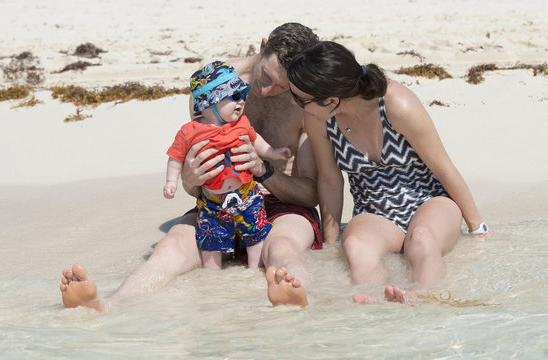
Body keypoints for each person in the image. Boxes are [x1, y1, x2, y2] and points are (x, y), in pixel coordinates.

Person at [60, 23, 321, 312]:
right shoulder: (209, 84)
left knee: (281, 247)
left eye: (281, 86)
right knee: (167, 248)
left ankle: (299, 300)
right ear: (262, 46)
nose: (266, 89)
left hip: (280, 206)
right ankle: (108, 304)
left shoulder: (303, 100)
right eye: (266, 76)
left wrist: (264, 170)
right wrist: (189, 179)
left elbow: (311, 195)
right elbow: (192, 179)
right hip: (216, 203)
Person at [287, 41, 489, 304]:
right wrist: (330, 242)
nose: (294, 104)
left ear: (331, 100)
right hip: (373, 211)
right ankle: (374, 302)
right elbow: (330, 180)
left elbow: (442, 166)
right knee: (356, 246)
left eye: (299, 99)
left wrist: (477, 227)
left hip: (429, 201)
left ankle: (420, 296)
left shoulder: (396, 104)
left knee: (422, 239)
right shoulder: (318, 119)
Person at [164, 61, 291, 269]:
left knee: (256, 236)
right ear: (210, 101)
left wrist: (271, 152)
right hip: (212, 203)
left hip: (248, 196)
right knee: (211, 244)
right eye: (234, 96)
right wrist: (171, 182)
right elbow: (176, 156)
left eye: (242, 95)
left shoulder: (241, 123)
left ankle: (253, 273)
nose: (241, 101)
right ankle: (213, 284)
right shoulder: (190, 131)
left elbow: (255, 138)